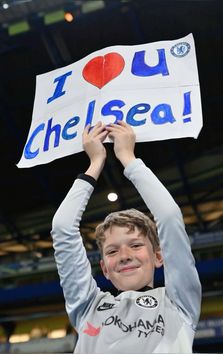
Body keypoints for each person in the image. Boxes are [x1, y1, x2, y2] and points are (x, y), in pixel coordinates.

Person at [51, 120, 201, 353]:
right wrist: (95, 162)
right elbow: (62, 227)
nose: (124, 256)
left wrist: (127, 158)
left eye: (136, 245)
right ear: (104, 268)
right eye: (112, 251)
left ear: (158, 256)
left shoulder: (178, 303)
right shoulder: (88, 307)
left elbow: (170, 217)